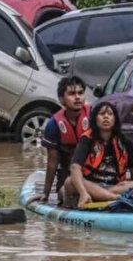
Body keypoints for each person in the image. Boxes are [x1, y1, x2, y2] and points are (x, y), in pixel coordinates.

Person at [61, 101, 133, 208]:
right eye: (102, 114)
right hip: (89, 186)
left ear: (115, 119)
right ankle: (115, 199)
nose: (106, 117)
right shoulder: (87, 140)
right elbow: (75, 167)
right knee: (69, 182)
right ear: (95, 118)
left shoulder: (125, 142)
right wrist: (83, 192)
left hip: (112, 187)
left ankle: (102, 195)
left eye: (110, 114)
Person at [31, 76, 90, 204]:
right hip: (68, 178)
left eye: (80, 93)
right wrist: (45, 193)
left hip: (93, 176)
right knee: (65, 192)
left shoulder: (94, 117)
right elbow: (52, 163)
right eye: (72, 94)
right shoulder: (53, 125)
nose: (78, 97)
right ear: (62, 99)